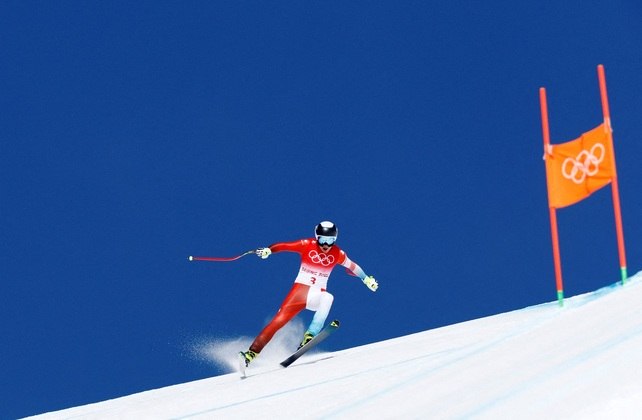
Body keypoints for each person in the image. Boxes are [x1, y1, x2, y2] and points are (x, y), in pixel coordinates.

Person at [239, 221, 378, 367]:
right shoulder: (307, 244)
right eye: (323, 239)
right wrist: (269, 250)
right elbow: (285, 246)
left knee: (328, 297)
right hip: (299, 293)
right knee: (278, 322)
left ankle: (309, 336)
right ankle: (250, 354)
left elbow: (353, 266)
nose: (326, 244)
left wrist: (366, 279)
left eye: (330, 240)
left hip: (316, 294)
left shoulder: (338, 254)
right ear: (316, 237)